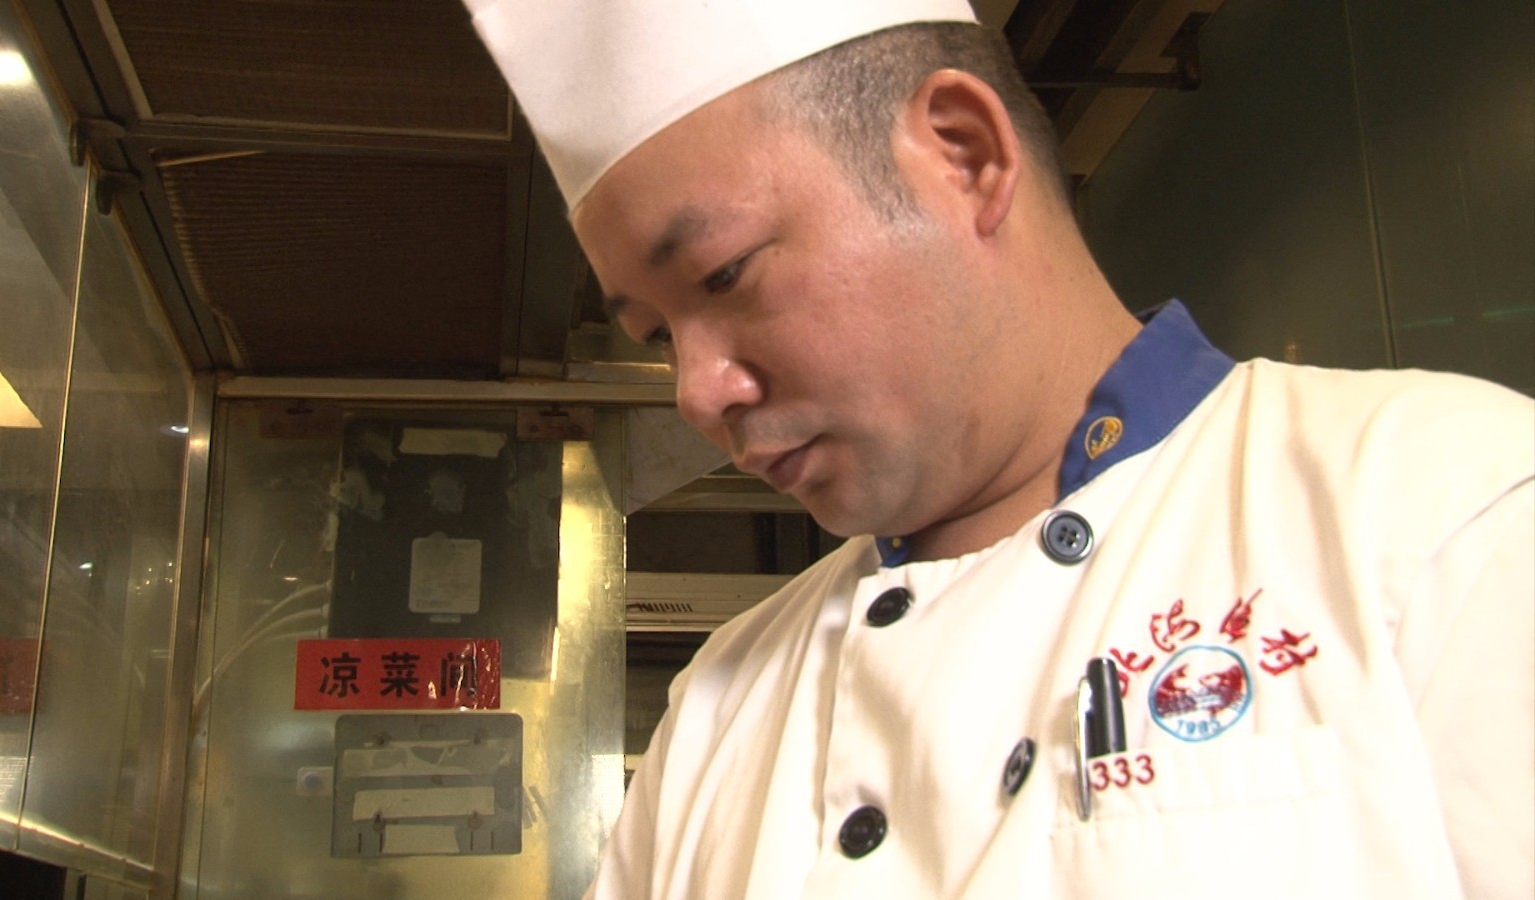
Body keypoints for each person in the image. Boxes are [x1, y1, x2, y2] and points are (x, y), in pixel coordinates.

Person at [466, 1, 1535, 896]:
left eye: (724, 274)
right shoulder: (719, 704)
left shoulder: (1444, 506)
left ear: (964, 156)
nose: (696, 393)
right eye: (657, 337)